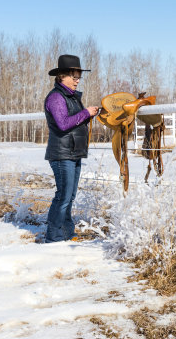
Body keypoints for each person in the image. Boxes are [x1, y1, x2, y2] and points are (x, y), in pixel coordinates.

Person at [43, 54, 99, 243]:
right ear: (61, 77)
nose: (77, 80)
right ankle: (54, 236)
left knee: (69, 195)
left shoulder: (71, 97)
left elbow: (75, 121)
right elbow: (63, 124)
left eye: (78, 76)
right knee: (63, 196)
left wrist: (87, 115)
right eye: (73, 76)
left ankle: (67, 233)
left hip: (73, 151)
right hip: (62, 153)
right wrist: (85, 113)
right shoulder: (56, 97)